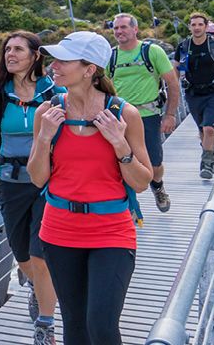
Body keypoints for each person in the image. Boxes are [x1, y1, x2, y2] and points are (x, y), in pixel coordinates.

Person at [29, 31, 152, 345]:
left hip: (111, 232)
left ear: (89, 69)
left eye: (63, 61)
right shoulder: (47, 112)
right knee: (75, 326)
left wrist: (119, 143)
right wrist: (44, 139)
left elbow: (141, 181)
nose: (53, 65)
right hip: (58, 231)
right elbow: (37, 178)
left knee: (101, 326)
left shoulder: (124, 114)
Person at [0, 31, 61, 344]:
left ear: (35, 55)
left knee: (41, 255)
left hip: (47, 183)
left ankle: (45, 325)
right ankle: (37, 287)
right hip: (11, 183)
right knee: (22, 256)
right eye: (7, 49)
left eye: (18, 49)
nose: (11, 54)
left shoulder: (54, 92)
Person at [109, 13, 181, 212]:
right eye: (115, 28)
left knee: (155, 162)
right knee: (118, 161)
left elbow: (173, 84)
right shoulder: (111, 56)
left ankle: (157, 187)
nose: (119, 32)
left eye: (123, 27)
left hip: (148, 116)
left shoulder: (152, 51)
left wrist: (170, 115)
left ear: (135, 29)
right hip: (118, 116)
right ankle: (129, 204)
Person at [174, 12, 214, 179]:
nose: (197, 28)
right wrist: (173, 93)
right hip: (192, 94)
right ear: (190, 27)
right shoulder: (184, 47)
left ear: (206, 27)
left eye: (200, 24)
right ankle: (211, 155)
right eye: (193, 25)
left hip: (212, 93)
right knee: (202, 129)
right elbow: (176, 71)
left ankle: (206, 164)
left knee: (209, 128)